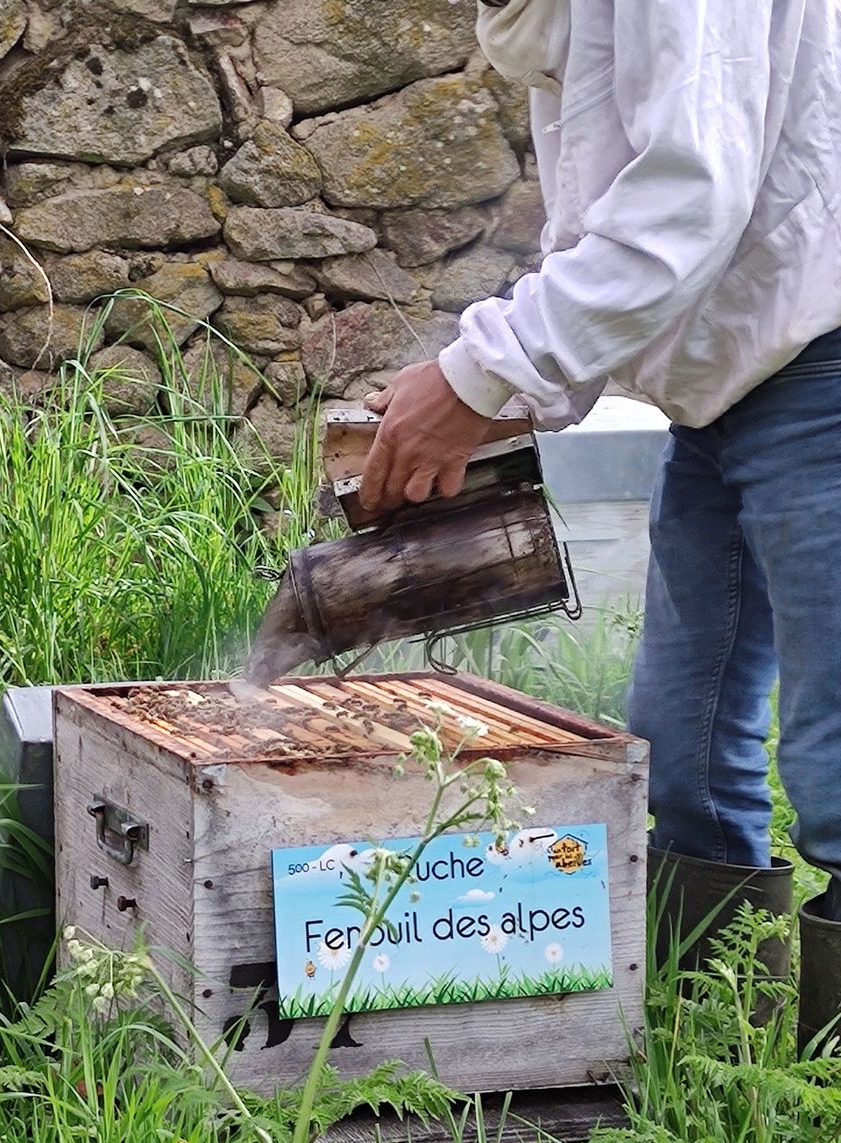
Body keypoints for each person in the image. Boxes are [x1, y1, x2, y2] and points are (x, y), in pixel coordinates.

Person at [358, 0, 841, 1048]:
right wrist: (482, 383)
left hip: (821, 364)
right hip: (728, 383)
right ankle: (726, 1066)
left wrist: (482, 373)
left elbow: (682, 205)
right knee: (682, 743)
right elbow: (608, 229)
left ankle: (816, 1135)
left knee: (834, 761)